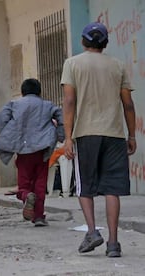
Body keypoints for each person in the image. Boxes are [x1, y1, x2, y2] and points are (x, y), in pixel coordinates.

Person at [61, 22, 136, 257]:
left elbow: (69, 102)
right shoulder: (118, 66)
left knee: (86, 187)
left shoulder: (72, 64)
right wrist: (131, 134)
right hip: (114, 134)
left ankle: (93, 231)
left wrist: (67, 137)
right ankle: (113, 243)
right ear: (105, 43)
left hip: (85, 133)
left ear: (83, 41)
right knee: (112, 189)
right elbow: (128, 104)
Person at [0, 78, 64, 227]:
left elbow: (0, 120)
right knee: (40, 183)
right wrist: (60, 135)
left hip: (23, 151)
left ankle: (26, 196)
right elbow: (61, 116)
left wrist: (9, 135)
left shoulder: (14, 104)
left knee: (24, 185)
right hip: (43, 150)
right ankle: (39, 216)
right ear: (39, 92)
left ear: (22, 92)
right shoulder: (47, 105)